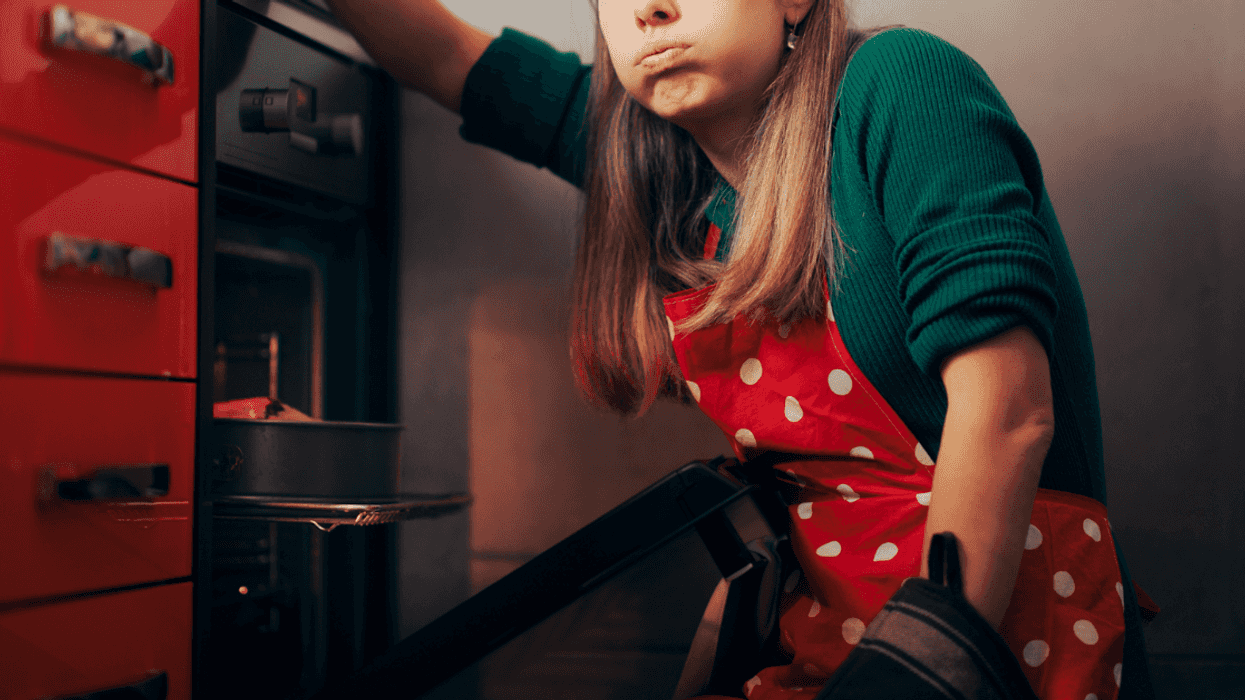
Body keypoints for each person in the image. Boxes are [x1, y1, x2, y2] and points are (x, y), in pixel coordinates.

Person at [324, 1, 1156, 698]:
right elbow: (444, 54)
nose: (648, 7)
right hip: (826, 640)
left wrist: (917, 667)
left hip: (999, 642)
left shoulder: (902, 84)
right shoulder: (651, 168)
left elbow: (1007, 411)